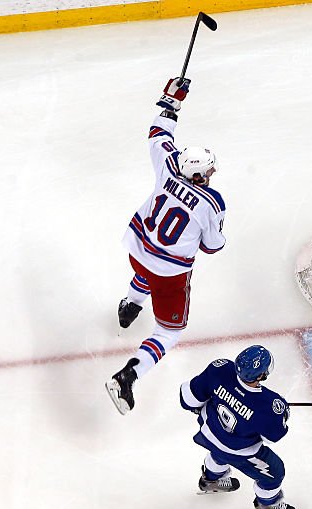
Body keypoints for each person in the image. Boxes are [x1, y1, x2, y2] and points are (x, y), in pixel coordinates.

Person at [106, 76, 227, 414]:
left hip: (137, 249)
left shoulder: (168, 166)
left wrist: (171, 101)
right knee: (169, 332)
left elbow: (158, 134)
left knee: (145, 270)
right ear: (201, 176)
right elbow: (213, 247)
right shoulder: (211, 203)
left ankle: (130, 304)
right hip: (168, 275)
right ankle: (129, 375)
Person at [179, 345, 295, 509]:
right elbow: (273, 436)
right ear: (261, 375)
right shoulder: (269, 405)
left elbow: (187, 399)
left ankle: (211, 479)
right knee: (275, 472)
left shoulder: (220, 368)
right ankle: (268, 504)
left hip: (209, 433)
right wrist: (283, 414)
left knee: (218, 451)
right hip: (237, 450)